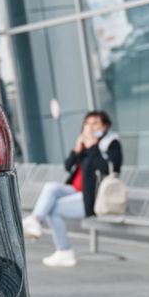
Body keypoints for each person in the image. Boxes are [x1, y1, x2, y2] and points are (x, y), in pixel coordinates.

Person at [24, 110, 123, 267]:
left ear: (105, 126)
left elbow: (110, 169)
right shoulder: (85, 143)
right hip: (75, 191)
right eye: (87, 123)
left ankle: (64, 251)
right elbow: (68, 166)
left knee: (53, 209)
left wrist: (93, 147)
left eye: (95, 123)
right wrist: (77, 150)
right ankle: (35, 220)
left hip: (93, 197)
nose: (90, 127)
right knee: (51, 187)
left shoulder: (111, 143)